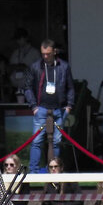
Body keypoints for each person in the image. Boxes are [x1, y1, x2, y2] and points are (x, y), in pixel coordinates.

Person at [25, 39, 76, 173]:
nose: (45, 56)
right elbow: (28, 87)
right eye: (43, 54)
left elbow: (70, 87)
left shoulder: (64, 67)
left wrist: (69, 106)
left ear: (54, 52)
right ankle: (34, 172)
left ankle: (55, 171)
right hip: (41, 108)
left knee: (57, 141)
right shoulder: (36, 66)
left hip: (59, 109)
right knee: (36, 141)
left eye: (48, 54)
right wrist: (33, 107)